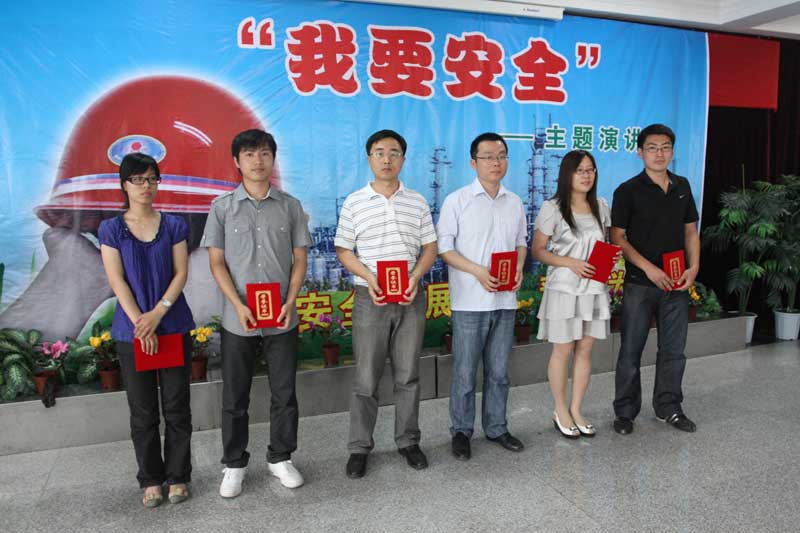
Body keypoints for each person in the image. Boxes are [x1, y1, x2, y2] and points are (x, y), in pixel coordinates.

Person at [201, 129, 311, 498]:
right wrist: (238, 305)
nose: (257, 160)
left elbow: (299, 259)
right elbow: (216, 263)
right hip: (239, 319)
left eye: (264, 153)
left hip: (282, 316)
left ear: (273, 158)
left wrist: (290, 301)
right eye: (249, 154)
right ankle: (234, 464)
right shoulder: (221, 208)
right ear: (237, 161)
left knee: (285, 392)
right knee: (235, 396)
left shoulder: (290, 206)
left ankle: (281, 457)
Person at [335, 129, 438, 479]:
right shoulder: (355, 202)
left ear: (403, 159)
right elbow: (343, 250)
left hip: (410, 296)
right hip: (371, 298)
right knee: (366, 377)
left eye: (394, 152)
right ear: (369, 158)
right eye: (379, 152)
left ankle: (408, 441)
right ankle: (359, 447)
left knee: (408, 374)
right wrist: (369, 277)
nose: (387, 159)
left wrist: (415, 277)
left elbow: (430, 248)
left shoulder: (417, 201)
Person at [99, 152, 195, 508]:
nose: (146, 186)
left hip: (172, 325)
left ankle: (178, 476)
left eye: (152, 178)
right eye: (138, 179)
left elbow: (180, 273)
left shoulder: (173, 225)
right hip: (132, 332)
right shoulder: (111, 229)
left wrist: (158, 313)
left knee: (177, 406)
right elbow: (117, 280)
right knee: (142, 411)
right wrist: (142, 321)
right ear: (124, 185)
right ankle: (151, 479)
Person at [437, 132, 527, 461]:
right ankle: (461, 431)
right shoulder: (457, 201)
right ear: (473, 162)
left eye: (501, 155)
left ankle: (497, 427)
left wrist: (519, 267)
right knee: (465, 372)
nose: (495, 162)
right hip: (469, 302)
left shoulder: (514, 202)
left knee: (499, 371)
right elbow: (444, 248)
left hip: (505, 301)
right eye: (488, 156)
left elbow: (520, 243)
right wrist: (477, 271)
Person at [610, 123, 700, 435]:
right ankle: (625, 412)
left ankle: (669, 407)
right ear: (640, 152)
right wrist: (649, 268)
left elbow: (691, 231)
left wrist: (694, 268)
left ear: (672, 151)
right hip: (640, 283)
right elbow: (618, 238)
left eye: (665, 147)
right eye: (652, 148)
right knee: (630, 350)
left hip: (676, 283)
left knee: (674, 351)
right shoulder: (627, 190)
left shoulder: (682, 186)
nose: (659, 153)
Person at [532, 150, 613, 439]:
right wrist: (570, 263)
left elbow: (604, 244)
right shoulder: (552, 208)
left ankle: (577, 409)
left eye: (590, 170)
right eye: (580, 170)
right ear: (567, 174)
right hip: (564, 289)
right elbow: (538, 250)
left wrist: (609, 260)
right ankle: (560, 409)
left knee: (585, 350)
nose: (586, 175)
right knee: (563, 350)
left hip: (593, 289)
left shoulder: (601, 206)